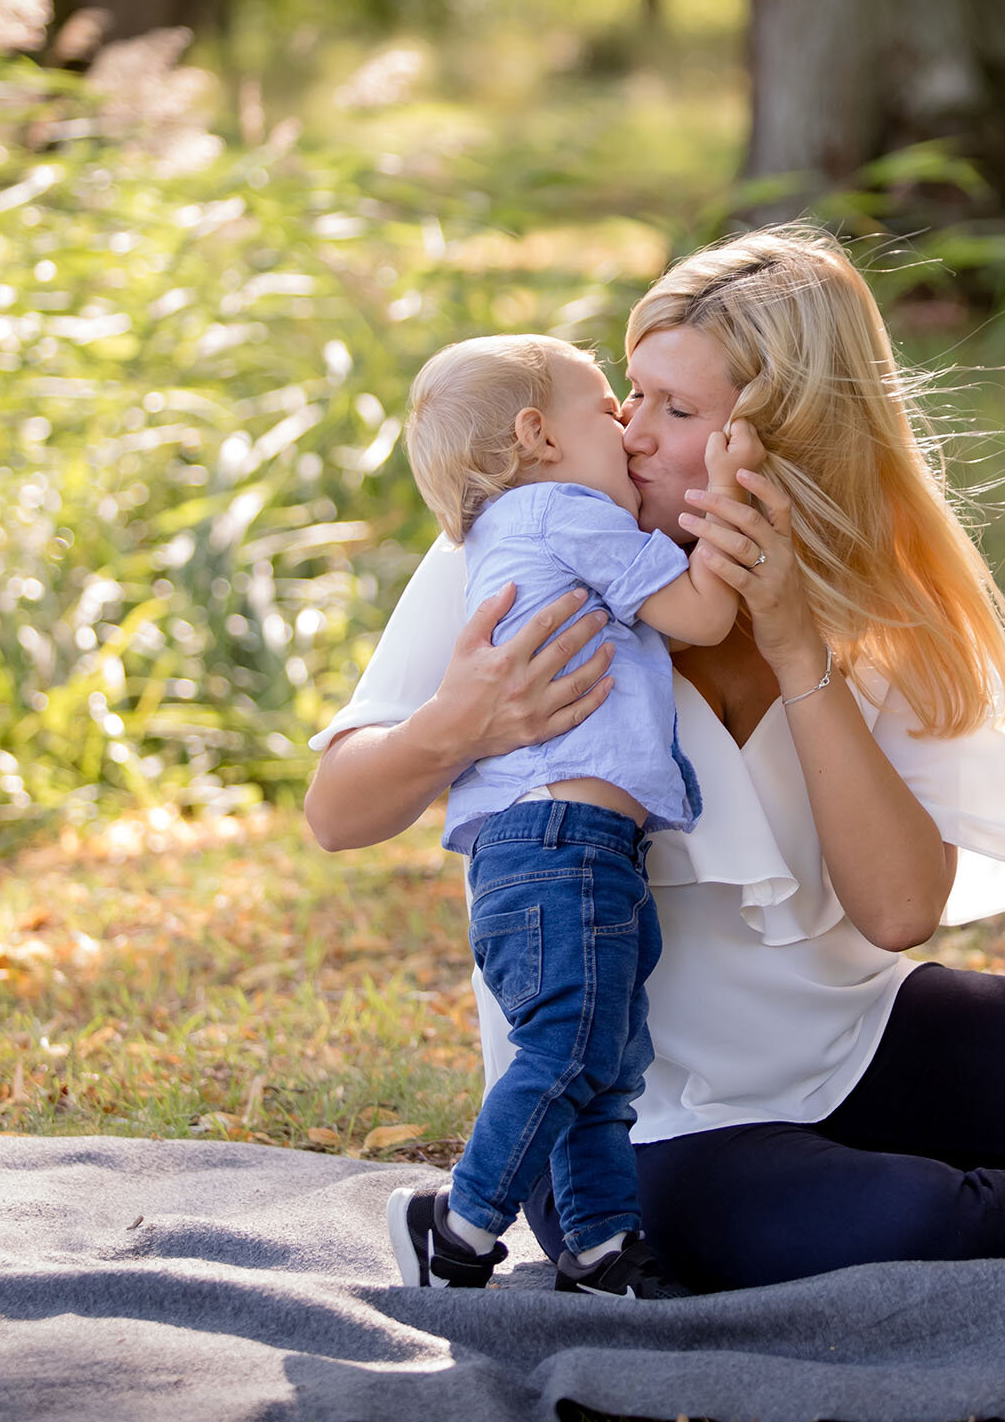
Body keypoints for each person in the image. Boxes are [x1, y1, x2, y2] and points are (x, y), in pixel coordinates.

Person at [306, 226, 1005, 1294]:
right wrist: (456, 726)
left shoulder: (866, 602)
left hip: (855, 1036)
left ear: (779, 439)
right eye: (629, 393)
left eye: (675, 407)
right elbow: (337, 814)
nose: (631, 429)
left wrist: (797, 647)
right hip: (648, 1115)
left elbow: (895, 914)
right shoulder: (521, 546)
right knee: (918, 1221)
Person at [382, 334, 751, 1300]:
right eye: (606, 407)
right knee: (575, 1043)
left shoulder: (526, 522)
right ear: (537, 435)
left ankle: (594, 1245)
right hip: (558, 839)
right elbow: (705, 615)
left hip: (570, 843)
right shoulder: (561, 511)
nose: (627, 423)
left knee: (610, 1056)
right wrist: (732, 490)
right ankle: (456, 1221)